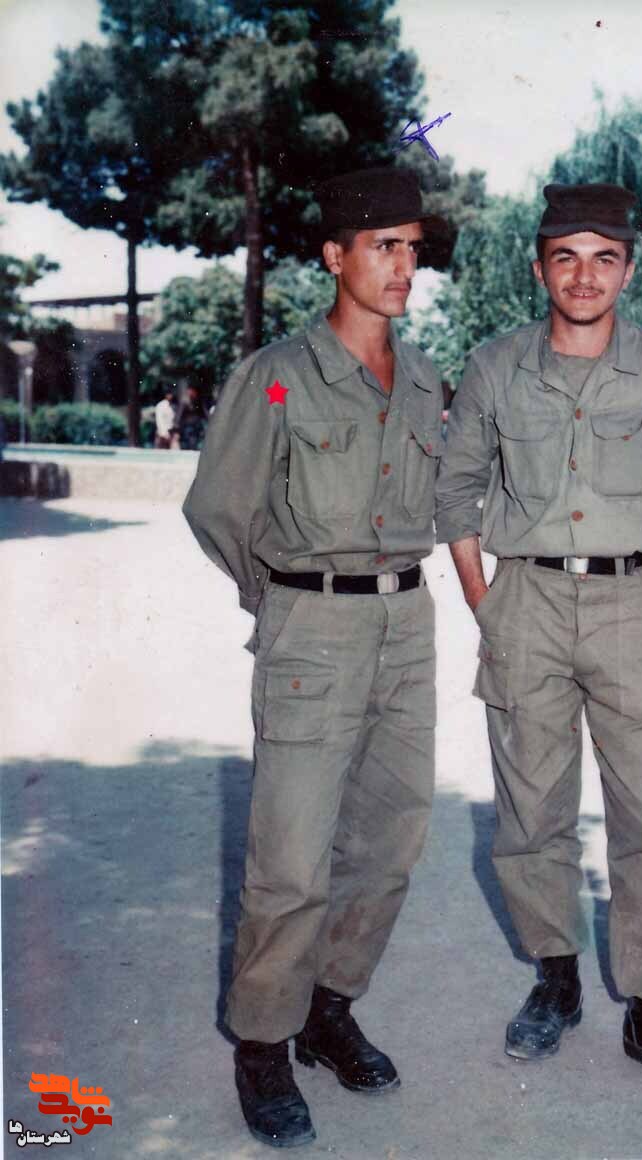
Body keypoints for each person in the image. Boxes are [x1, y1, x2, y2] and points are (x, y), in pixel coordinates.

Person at [436, 182, 642, 1098]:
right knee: (531, 813)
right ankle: (555, 979)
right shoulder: (494, 366)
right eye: (566, 257)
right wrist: (487, 602)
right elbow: (455, 493)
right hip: (524, 603)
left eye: (605, 259)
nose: (585, 276)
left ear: (628, 271)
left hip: (632, 605)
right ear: (540, 269)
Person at [183, 167, 446, 1148]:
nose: (403, 266)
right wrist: (284, 598)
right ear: (335, 256)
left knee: (389, 840)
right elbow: (219, 507)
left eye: (412, 248)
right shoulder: (278, 374)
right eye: (383, 246)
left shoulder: (422, 378)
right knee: (291, 856)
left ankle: (329, 1009)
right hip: (314, 625)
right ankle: (262, 1041)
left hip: (407, 625)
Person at [174, 385, 208, 451]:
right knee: (190, 443)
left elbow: (205, 413)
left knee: (196, 442)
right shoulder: (185, 402)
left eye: (192, 391)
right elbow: (178, 415)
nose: (190, 393)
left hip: (197, 426)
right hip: (187, 426)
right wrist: (176, 427)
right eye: (189, 391)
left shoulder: (198, 401)